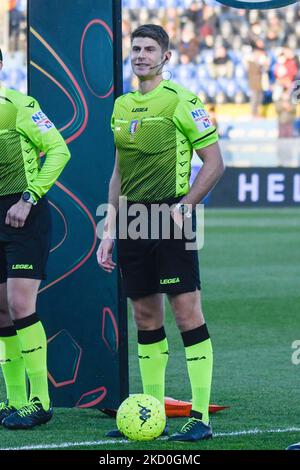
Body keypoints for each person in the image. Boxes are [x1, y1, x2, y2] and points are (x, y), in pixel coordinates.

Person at [97, 24, 224, 442]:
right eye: (135, 48)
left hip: (171, 217)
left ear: (166, 56)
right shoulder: (120, 105)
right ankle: (153, 414)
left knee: (187, 315)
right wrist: (109, 228)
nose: (140, 55)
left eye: (150, 49)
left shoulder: (182, 101)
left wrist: (184, 208)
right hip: (132, 220)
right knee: (145, 317)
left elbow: (214, 164)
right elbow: (118, 173)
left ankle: (200, 416)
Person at [0, 49, 70, 429]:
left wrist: (29, 198)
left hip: (21, 213)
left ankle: (40, 400)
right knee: (0, 308)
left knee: (19, 304)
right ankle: (12, 401)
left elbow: (59, 150)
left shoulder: (19, 105)